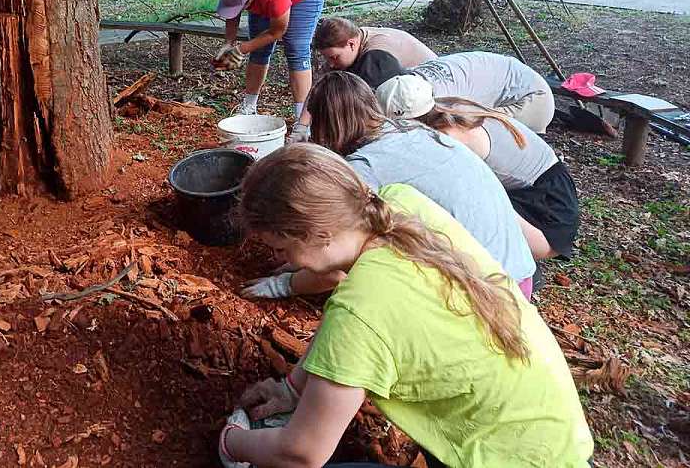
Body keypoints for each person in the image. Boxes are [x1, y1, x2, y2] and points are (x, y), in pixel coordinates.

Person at [219, 144, 594, 468]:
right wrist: (293, 387)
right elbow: (358, 321)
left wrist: (230, 441)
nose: (282, 258)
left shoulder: (361, 310)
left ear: (318, 233)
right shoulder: (397, 204)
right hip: (550, 430)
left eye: (281, 248)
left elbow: (301, 454)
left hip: (509, 455)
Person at [241, 71, 536, 301]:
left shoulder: (365, 169)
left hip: (489, 291)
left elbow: (338, 264)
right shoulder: (409, 130)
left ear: (327, 124)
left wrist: (284, 284)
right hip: (518, 270)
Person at [376, 74, 580, 261]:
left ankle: (516, 269)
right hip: (552, 189)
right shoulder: (450, 106)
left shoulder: (449, 138)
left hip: (546, 217)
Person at [213, 0, 327, 125]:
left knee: (296, 49)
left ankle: (302, 121)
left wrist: (241, 49)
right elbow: (231, 12)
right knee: (259, 50)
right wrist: (229, 43)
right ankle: (249, 108)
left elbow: (277, 31)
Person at [409, 51, 555, 134]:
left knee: (460, 131)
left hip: (533, 98)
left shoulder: (441, 99)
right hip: (512, 77)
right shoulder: (409, 76)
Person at [313, 16, 437, 69]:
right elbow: (320, 87)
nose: (331, 65)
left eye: (334, 58)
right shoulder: (356, 36)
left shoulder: (376, 55)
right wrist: (302, 123)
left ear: (351, 44)